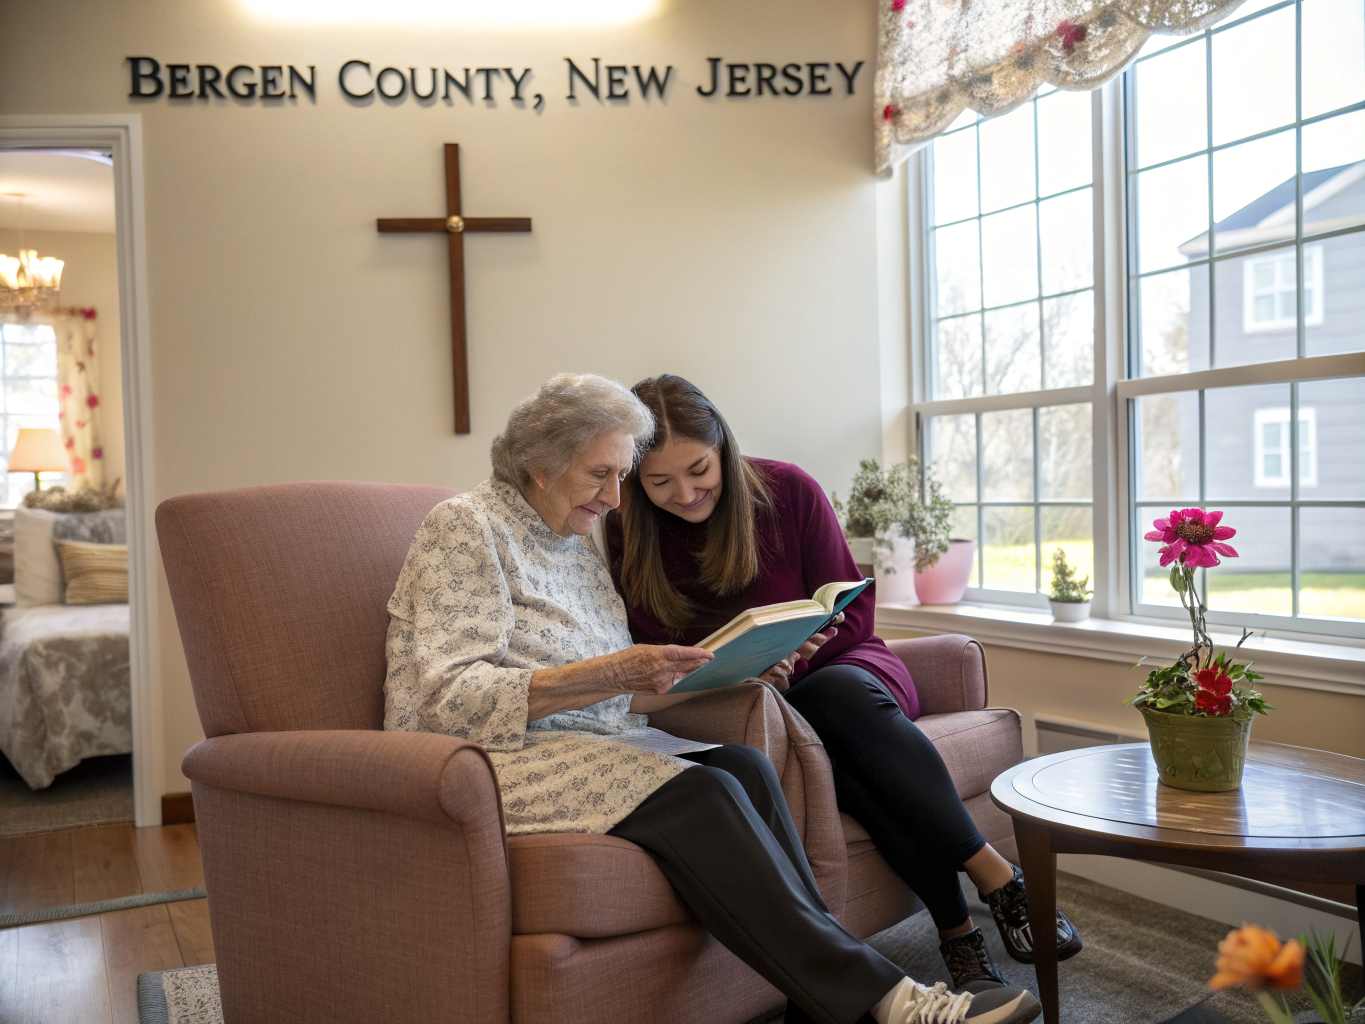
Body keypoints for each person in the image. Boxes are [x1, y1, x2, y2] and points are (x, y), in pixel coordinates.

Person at [384, 372, 1040, 1024]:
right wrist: (615, 674)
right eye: (601, 475)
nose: (616, 498)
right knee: (699, 791)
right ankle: (891, 1005)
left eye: (621, 475)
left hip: (579, 739)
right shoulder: (465, 526)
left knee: (743, 767)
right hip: (483, 761)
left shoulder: (573, 548)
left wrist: (709, 678)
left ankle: (814, 1008)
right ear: (541, 464)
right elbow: (448, 699)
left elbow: (616, 700)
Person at [603, 374, 1082, 995]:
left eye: (699, 469)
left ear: (723, 444)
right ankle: (971, 918)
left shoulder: (786, 491)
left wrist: (792, 655)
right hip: (748, 701)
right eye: (660, 482)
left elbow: (854, 607)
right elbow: (648, 642)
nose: (686, 493)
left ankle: (988, 885)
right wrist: (734, 672)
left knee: (830, 704)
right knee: (844, 769)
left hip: (847, 672)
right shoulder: (626, 530)